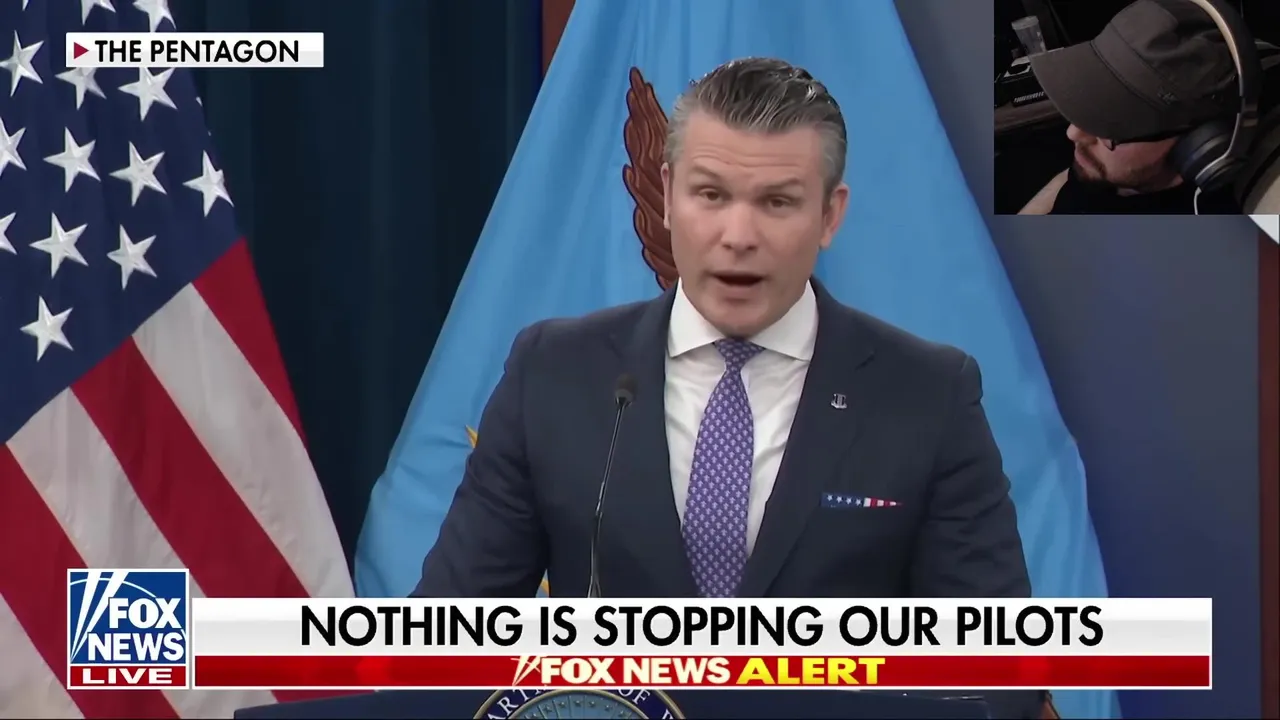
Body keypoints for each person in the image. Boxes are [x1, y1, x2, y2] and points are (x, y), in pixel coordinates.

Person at [415, 58, 1045, 718]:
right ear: (666, 194)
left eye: (777, 202)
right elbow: (441, 647)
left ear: (830, 215)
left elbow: (998, 675)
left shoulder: (927, 395)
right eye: (711, 195)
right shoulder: (552, 372)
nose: (738, 237)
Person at [1020, 0, 1244, 214]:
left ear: (1194, 144)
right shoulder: (1107, 170)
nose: (1073, 133)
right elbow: (1067, 177)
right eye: (1090, 106)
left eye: (1110, 129)